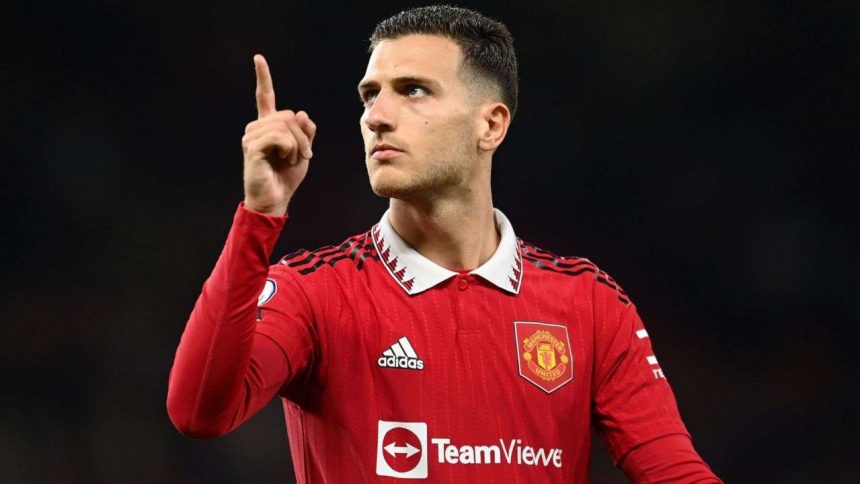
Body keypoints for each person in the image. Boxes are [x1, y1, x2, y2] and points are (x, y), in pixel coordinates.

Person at [167, 5, 721, 482]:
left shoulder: (589, 302)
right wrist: (259, 216)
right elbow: (198, 412)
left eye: (413, 91)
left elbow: (672, 470)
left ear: (491, 126)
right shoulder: (313, 291)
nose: (377, 117)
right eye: (369, 96)